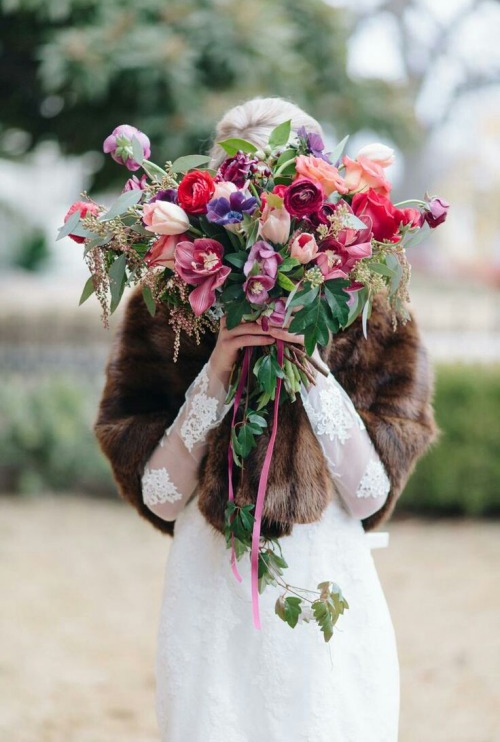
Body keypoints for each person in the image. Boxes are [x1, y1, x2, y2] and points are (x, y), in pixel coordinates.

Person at [94, 97, 438, 742]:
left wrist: (309, 364)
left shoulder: (371, 305)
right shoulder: (165, 306)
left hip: (323, 577)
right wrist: (218, 370)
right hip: (210, 582)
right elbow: (161, 500)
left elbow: (369, 496)